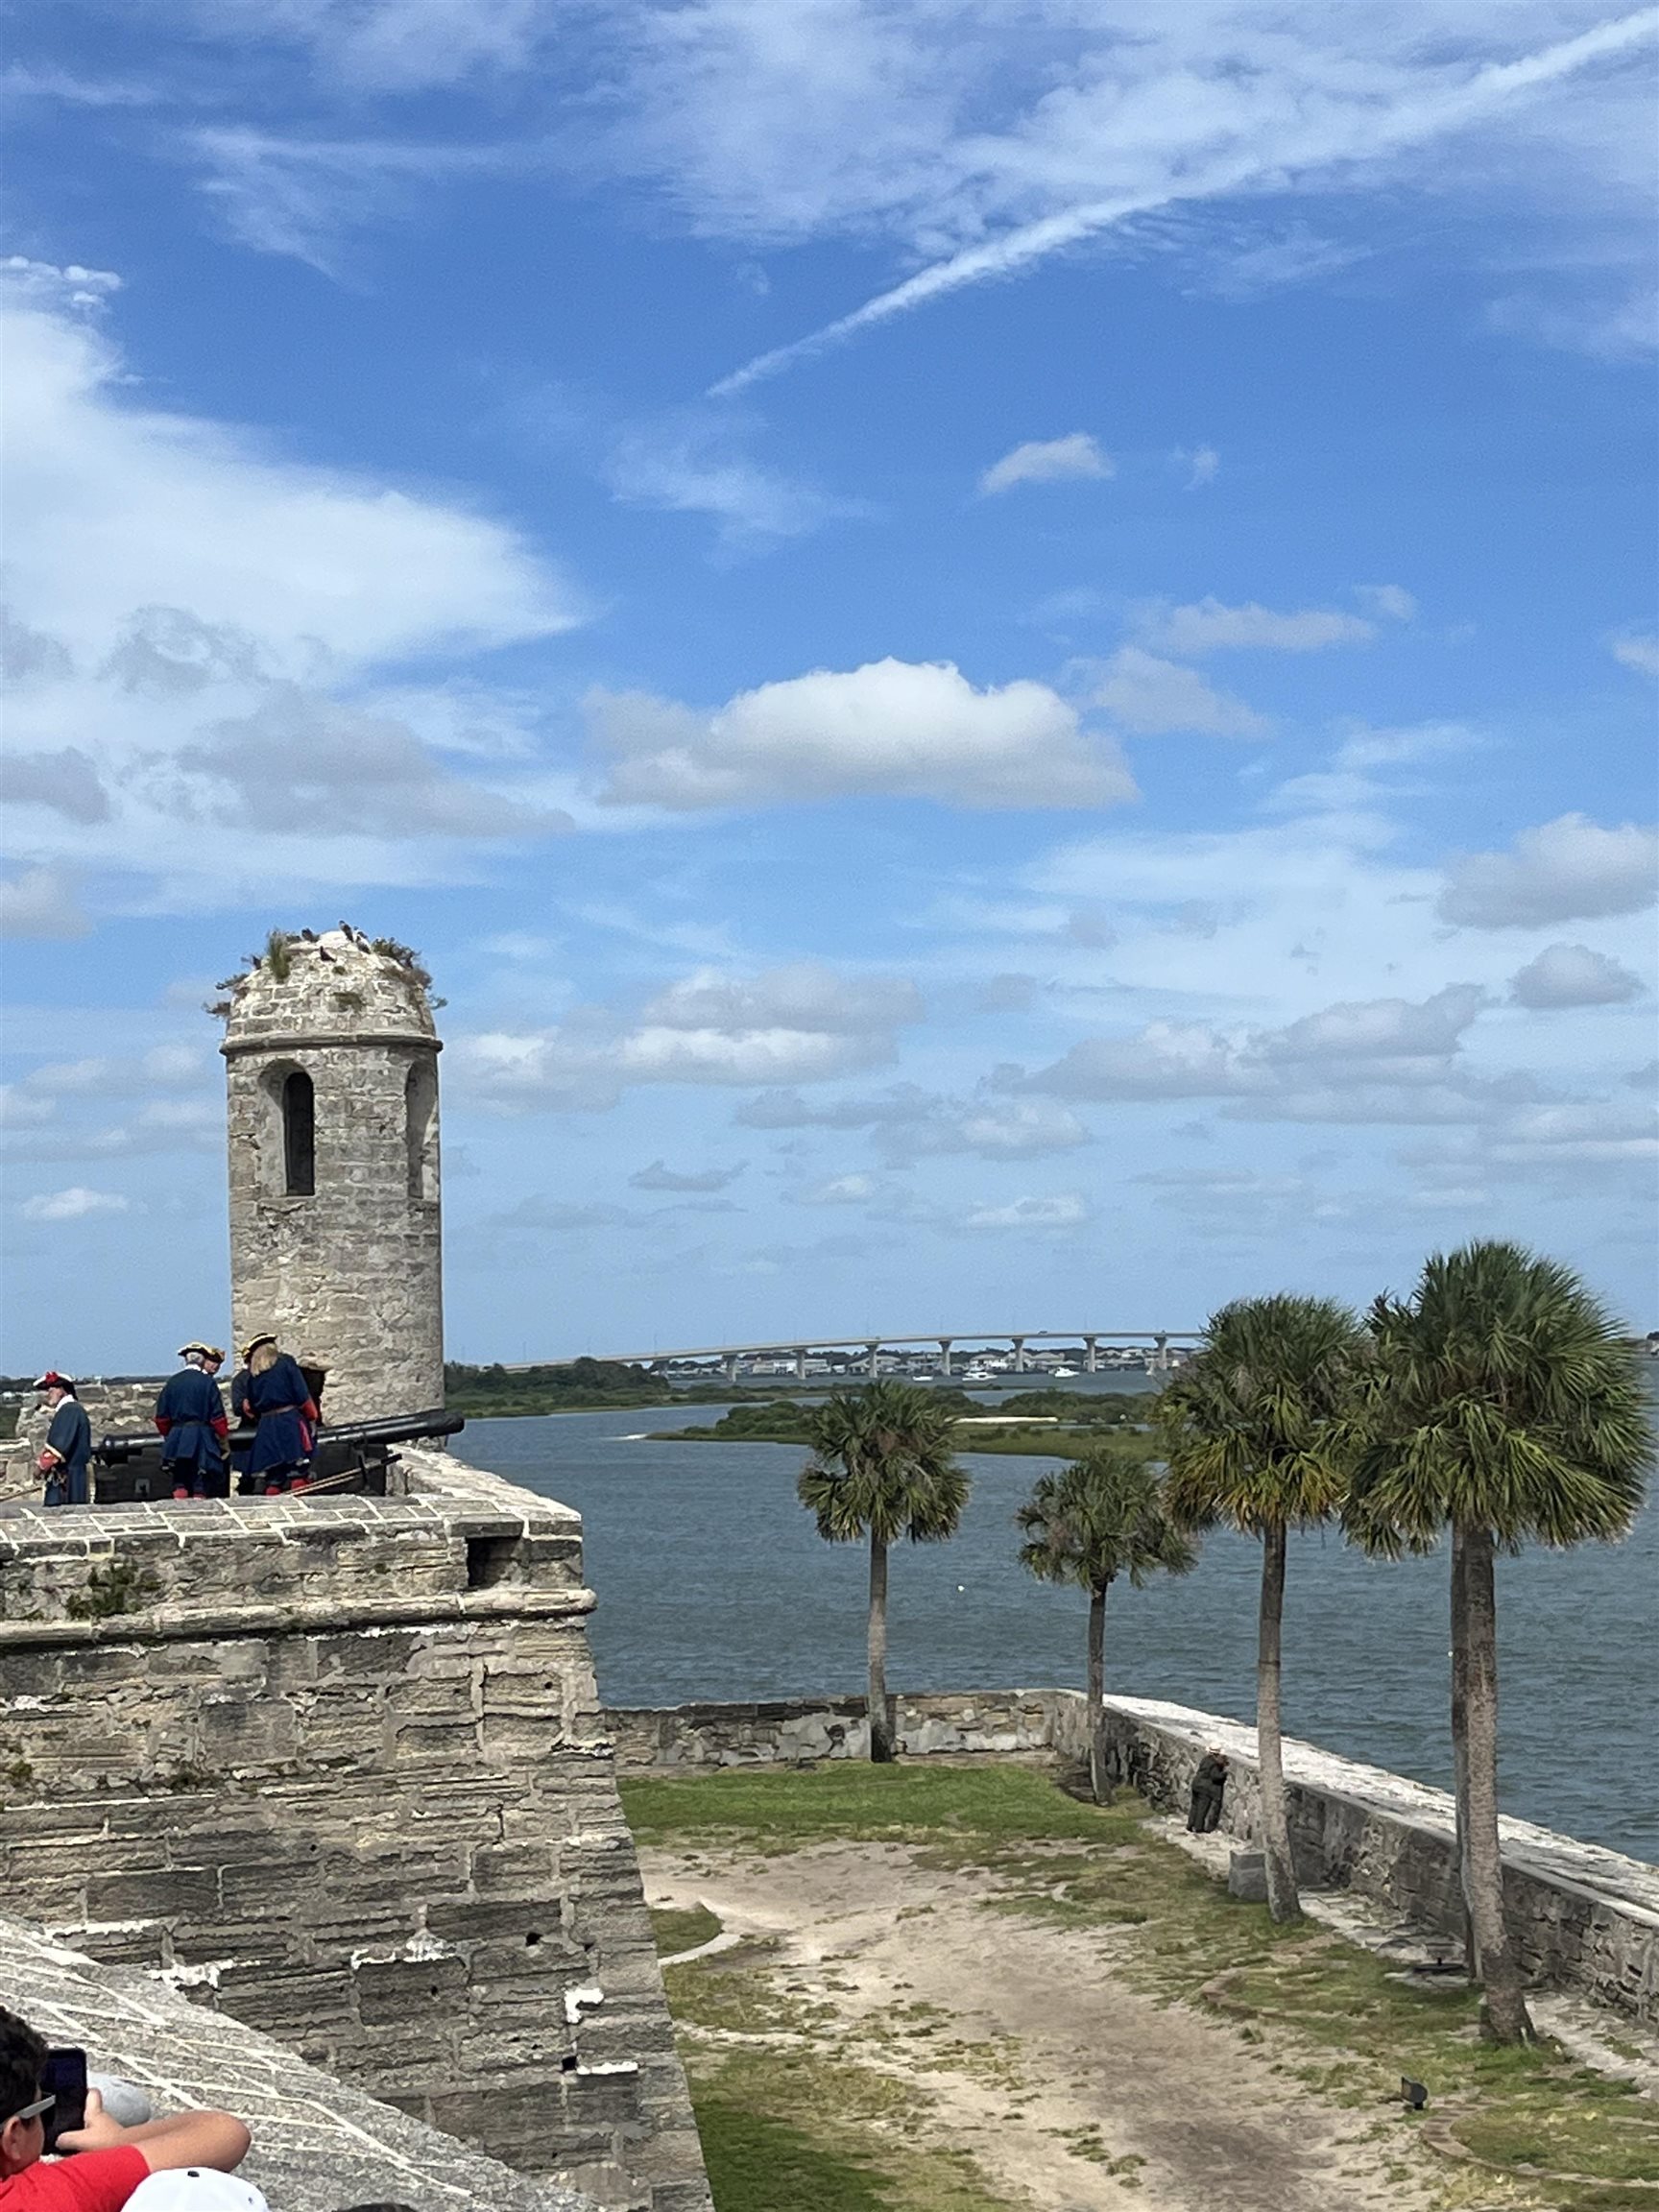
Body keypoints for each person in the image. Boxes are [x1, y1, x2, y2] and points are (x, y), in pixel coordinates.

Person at [0, 2005, 252, 2208]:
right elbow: (223, 2133)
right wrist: (116, 2139)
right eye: (43, 2107)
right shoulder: (44, 2196)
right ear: (13, 2136)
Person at [240, 1335, 317, 1497]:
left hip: (267, 1424)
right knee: (297, 1470)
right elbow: (301, 1392)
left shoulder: (253, 1373)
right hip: (288, 1420)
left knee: (273, 1475)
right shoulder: (285, 1363)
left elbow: (251, 1405)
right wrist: (311, 1416)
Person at [154, 1346, 229, 1503]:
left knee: (179, 1477)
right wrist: (223, 1437)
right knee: (200, 1476)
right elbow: (217, 1417)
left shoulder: (172, 1382)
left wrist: (170, 1435)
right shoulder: (207, 1383)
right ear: (203, 1362)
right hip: (201, 1433)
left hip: (177, 1433)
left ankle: (179, 1501)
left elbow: (161, 1418)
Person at [34, 1375, 91, 1509]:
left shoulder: (69, 1410)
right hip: (69, 1477)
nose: (49, 1393)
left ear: (62, 1390)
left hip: (68, 1480)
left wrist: (40, 1468)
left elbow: (57, 1448)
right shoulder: (71, 1410)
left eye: (52, 1388)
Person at [1187, 1747, 1229, 1835]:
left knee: (1194, 1806)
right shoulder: (1214, 1764)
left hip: (1196, 1784)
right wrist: (1224, 1774)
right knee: (1202, 1808)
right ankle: (1198, 1828)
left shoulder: (1205, 1760)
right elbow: (1215, 1776)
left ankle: (1190, 1825)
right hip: (1204, 1787)